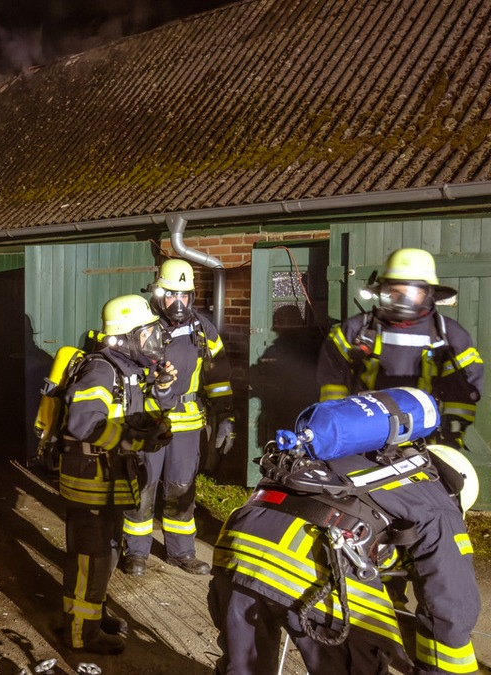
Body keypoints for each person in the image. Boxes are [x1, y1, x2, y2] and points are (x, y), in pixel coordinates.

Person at [208, 389, 480, 675]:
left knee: (243, 669)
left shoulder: (374, 460)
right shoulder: (440, 506)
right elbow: (452, 604)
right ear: (458, 496)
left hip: (239, 541)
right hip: (307, 564)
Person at [57, 294, 179, 654]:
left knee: (104, 552)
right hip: (89, 478)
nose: (151, 341)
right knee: (91, 556)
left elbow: (127, 412)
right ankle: (81, 633)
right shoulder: (101, 370)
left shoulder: (126, 370)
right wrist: (131, 440)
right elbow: (83, 423)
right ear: (124, 338)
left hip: (106, 478)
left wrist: (153, 413)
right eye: (144, 335)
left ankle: (90, 613)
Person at [120, 259, 235, 576]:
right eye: (172, 295)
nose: (180, 303)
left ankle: (181, 552)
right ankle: (136, 553)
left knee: (181, 488)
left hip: (186, 425)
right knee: (143, 487)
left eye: (186, 296)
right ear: (158, 293)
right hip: (147, 421)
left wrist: (225, 415)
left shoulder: (202, 329)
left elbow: (219, 375)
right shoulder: (139, 324)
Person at [317, 247, 483, 446]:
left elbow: (462, 392)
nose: (404, 300)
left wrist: (450, 436)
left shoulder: (451, 336)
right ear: (382, 292)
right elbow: (332, 383)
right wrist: (339, 425)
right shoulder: (353, 331)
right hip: (363, 434)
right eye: (395, 292)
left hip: (426, 437)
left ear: (429, 294)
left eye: (413, 293)